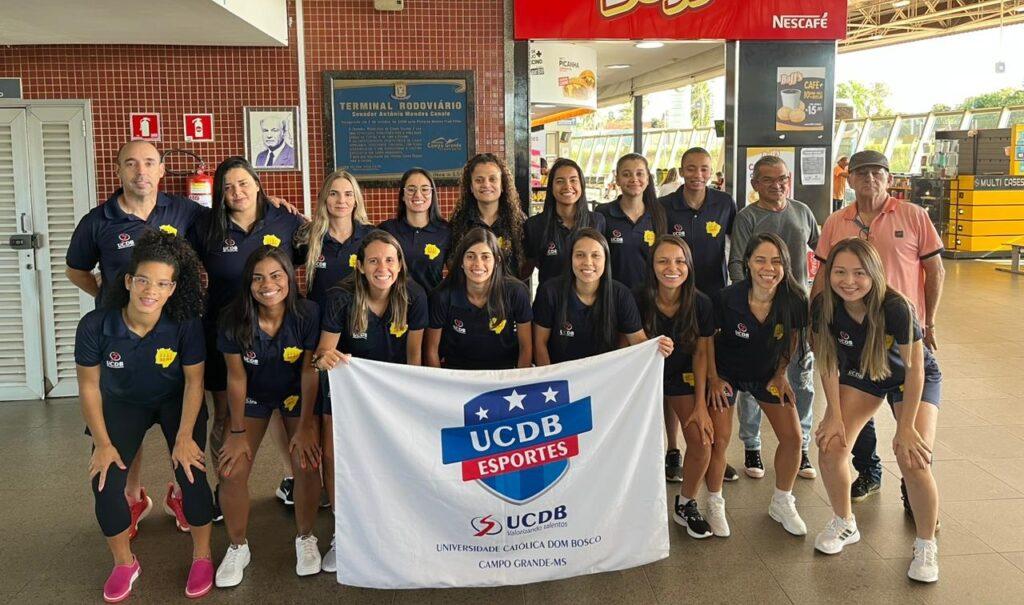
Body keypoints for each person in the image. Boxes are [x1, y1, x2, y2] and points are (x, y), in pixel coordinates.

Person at [66, 141, 207, 540]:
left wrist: (279, 205)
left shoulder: (184, 210)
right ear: (118, 171)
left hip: (172, 334)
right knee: (129, 411)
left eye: (148, 163)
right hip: (123, 337)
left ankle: (180, 494)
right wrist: (106, 299)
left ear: (162, 169)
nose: (140, 171)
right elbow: (76, 269)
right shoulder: (98, 220)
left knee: (175, 413)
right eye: (131, 163)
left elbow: (229, 221)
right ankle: (132, 496)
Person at [75, 231, 214, 602]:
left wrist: (185, 436)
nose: (151, 290)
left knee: (193, 473)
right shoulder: (96, 326)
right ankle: (124, 563)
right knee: (104, 483)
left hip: (174, 401)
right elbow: (89, 387)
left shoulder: (185, 324)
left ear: (172, 289)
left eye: (162, 283)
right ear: (128, 281)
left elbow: (194, 382)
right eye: (144, 280)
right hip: (123, 403)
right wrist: (102, 444)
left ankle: (203, 555)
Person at [812, 150, 944, 509]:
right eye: (861, 173)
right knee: (852, 426)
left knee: (912, 447)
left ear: (888, 178)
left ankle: (913, 491)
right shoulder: (837, 221)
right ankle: (868, 471)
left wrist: (928, 321)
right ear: (849, 179)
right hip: (854, 338)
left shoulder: (913, 215)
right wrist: (817, 319)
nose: (870, 178)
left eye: (877, 172)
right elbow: (824, 276)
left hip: (902, 335)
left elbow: (935, 271)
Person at [812, 238, 942, 583]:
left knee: (911, 457)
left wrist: (906, 427)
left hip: (911, 377)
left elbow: (914, 369)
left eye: (858, 272)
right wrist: (834, 414)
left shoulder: (896, 307)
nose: (848, 281)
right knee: (831, 445)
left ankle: (926, 544)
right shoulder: (825, 305)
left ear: (874, 273)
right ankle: (844, 523)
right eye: (839, 272)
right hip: (864, 374)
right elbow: (827, 362)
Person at [187, 157, 304, 514]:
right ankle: (226, 486)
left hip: (279, 331)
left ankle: (292, 479)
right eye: (227, 186)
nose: (236, 192)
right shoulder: (207, 226)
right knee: (225, 412)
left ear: (257, 184)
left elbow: (312, 253)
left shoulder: (284, 220)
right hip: (226, 332)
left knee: (285, 403)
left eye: (243, 183)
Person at [312, 230, 428, 573]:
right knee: (334, 456)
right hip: (349, 392)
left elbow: (415, 358)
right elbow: (321, 354)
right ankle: (342, 531)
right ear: (360, 266)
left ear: (400, 265)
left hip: (393, 393)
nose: (383, 267)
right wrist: (326, 359)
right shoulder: (340, 298)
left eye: (389, 260)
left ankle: (395, 529)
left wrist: (411, 403)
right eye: (374, 260)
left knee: (392, 458)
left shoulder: (414, 296)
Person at [213, 246, 322, 587]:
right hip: (254, 398)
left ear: (290, 278)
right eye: (258, 278)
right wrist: (236, 430)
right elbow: (236, 377)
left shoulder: (307, 313)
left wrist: (305, 426)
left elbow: (309, 371)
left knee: (306, 462)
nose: (267, 284)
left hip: (295, 396)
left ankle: (306, 538)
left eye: (276, 276)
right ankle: (237, 546)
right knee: (231, 470)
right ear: (248, 283)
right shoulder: (232, 317)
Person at [709, 233, 809, 537]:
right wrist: (714, 378)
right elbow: (707, 341)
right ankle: (714, 501)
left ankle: (782, 501)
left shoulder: (794, 299)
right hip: (726, 373)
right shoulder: (726, 298)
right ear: (747, 263)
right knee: (720, 439)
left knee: (793, 438)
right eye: (761, 260)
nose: (769, 268)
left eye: (777, 261)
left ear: (786, 265)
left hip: (767, 373)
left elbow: (792, 338)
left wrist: (781, 373)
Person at [729, 156, 820, 481]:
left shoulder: (802, 212)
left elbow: (821, 252)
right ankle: (752, 445)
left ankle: (803, 446)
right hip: (758, 316)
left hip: (796, 314)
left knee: (801, 381)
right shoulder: (747, 217)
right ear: (755, 184)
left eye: (781, 178)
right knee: (754, 380)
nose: (776, 184)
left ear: (789, 178)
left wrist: (817, 293)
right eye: (767, 179)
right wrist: (751, 304)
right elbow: (737, 262)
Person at [635, 236, 726, 539]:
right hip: (642, 379)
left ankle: (686, 503)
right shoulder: (637, 298)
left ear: (689, 265)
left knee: (702, 441)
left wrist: (700, 405)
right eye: (663, 260)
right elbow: (623, 345)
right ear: (652, 266)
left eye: (678, 261)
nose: (671, 268)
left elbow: (702, 353)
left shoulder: (700, 303)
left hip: (682, 377)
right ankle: (632, 507)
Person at [532, 228, 671, 365]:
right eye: (580, 255)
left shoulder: (621, 294)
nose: (588, 262)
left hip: (605, 380)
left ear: (606, 260)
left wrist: (658, 346)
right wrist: (551, 381)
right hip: (562, 381)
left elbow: (638, 342)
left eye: (595, 255)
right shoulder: (550, 292)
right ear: (570, 259)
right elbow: (539, 344)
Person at [425, 228, 533, 369]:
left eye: (485, 257)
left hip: (505, 373)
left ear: (497, 261)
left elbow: (526, 347)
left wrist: (518, 385)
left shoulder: (516, 292)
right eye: (470, 256)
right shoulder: (442, 297)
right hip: (457, 374)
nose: (478, 264)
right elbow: (431, 350)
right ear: (461, 262)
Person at [658, 147, 737, 297]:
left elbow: (737, 242)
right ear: (681, 172)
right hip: (674, 287)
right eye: (691, 169)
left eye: (704, 169)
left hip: (714, 287)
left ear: (711, 172)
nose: (698, 175)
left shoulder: (724, 203)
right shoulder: (663, 206)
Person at [295, 169, 375, 307]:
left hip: (360, 321)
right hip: (320, 321)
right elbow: (282, 269)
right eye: (333, 194)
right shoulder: (308, 235)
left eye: (348, 194)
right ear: (324, 198)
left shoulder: (371, 236)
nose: (341, 200)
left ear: (356, 200)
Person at [522, 158, 605, 285]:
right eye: (560, 181)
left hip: (589, 301)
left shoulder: (597, 221)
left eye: (573, 180)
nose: (567, 186)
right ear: (551, 187)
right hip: (549, 301)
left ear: (581, 185)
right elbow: (527, 269)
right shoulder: (535, 225)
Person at [595, 153, 667, 291]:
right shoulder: (603, 213)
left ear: (647, 178)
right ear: (617, 179)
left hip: (650, 296)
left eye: (639, 174)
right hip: (613, 295)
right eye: (626, 174)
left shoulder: (659, 214)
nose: (634, 179)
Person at [449, 153, 526, 278]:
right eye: (479, 180)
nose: (486, 184)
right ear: (471, 187)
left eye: (492, 179)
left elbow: (526, 264)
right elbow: (452, 262)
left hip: (508, 294)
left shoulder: (518, 222)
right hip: (471, 295)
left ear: (502, 186)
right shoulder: (459, 222)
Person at [379, 168, 451, 292]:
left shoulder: (446, 231)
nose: (418, 195)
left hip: (432, 307)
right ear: (402, 195)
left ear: (433, 195)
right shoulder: (387, 230)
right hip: (396, 306)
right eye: (411, 189)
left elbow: (457, 274)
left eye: (425, 189)